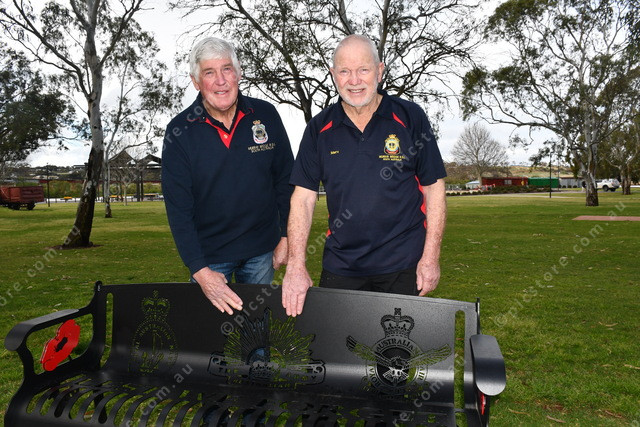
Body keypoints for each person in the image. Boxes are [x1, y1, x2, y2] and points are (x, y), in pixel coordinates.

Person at [282, 34, 447, 317]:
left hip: (403, 264)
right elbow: (303, 199)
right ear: (333, 74)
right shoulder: (319, 129)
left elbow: (434, 188)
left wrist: (430, 257)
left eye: (363, 69)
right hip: (342, 265)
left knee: (395, 345)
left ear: (380, 71)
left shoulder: (410, 117)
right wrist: (296, 266)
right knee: (334, 344)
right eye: (344, 71)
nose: (354, 80)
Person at [162, 37, 294, 315]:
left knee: (256, 331)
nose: (221, 81)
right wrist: (199, 270)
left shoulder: (266, 115)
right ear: (196, 81)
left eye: (226, 69)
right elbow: (178, 209)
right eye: (209, 73)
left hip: (262, 252)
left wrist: (285, 236)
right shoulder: (179, 131)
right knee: (209, 336)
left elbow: (285, 181)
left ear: (239, 73)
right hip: (210, 259)